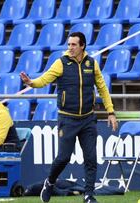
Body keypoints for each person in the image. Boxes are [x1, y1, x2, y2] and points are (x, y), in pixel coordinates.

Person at [20, 32, 118, 203]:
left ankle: (88, 195)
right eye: (69, 44)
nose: (70, 48)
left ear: (82, 46)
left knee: (91, 158)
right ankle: (50, 182)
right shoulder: (61, 63)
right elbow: (44, 80)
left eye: (73, 45)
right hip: (67, 119)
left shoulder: (91, 63)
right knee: (63, 157)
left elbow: (102, 88)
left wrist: (111, 112)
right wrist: (31, 83)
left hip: (88, 118)